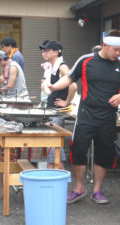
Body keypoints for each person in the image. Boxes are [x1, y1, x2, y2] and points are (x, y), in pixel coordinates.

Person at [49, 29, 120, 204]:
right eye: (115, 50)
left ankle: (97, 190)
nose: (118, 53)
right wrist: (55, 87)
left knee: (104, 153)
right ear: (105, 45)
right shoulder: (86, 60)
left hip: (108, 117)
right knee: (78, 150)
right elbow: (70, 78)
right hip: (86, 115)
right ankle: (79, 188)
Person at [40, 40, 77, 169]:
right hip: (51, 108)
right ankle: (53, 171)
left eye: (47, 50)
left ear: (56, 52)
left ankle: (58, 173)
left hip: (57, 110)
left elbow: (73, 85)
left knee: (53, 142)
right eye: (43, 50)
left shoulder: (62, 66)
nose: (43, 53)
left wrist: (67, 102)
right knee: (52, 142)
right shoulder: (51, 65)